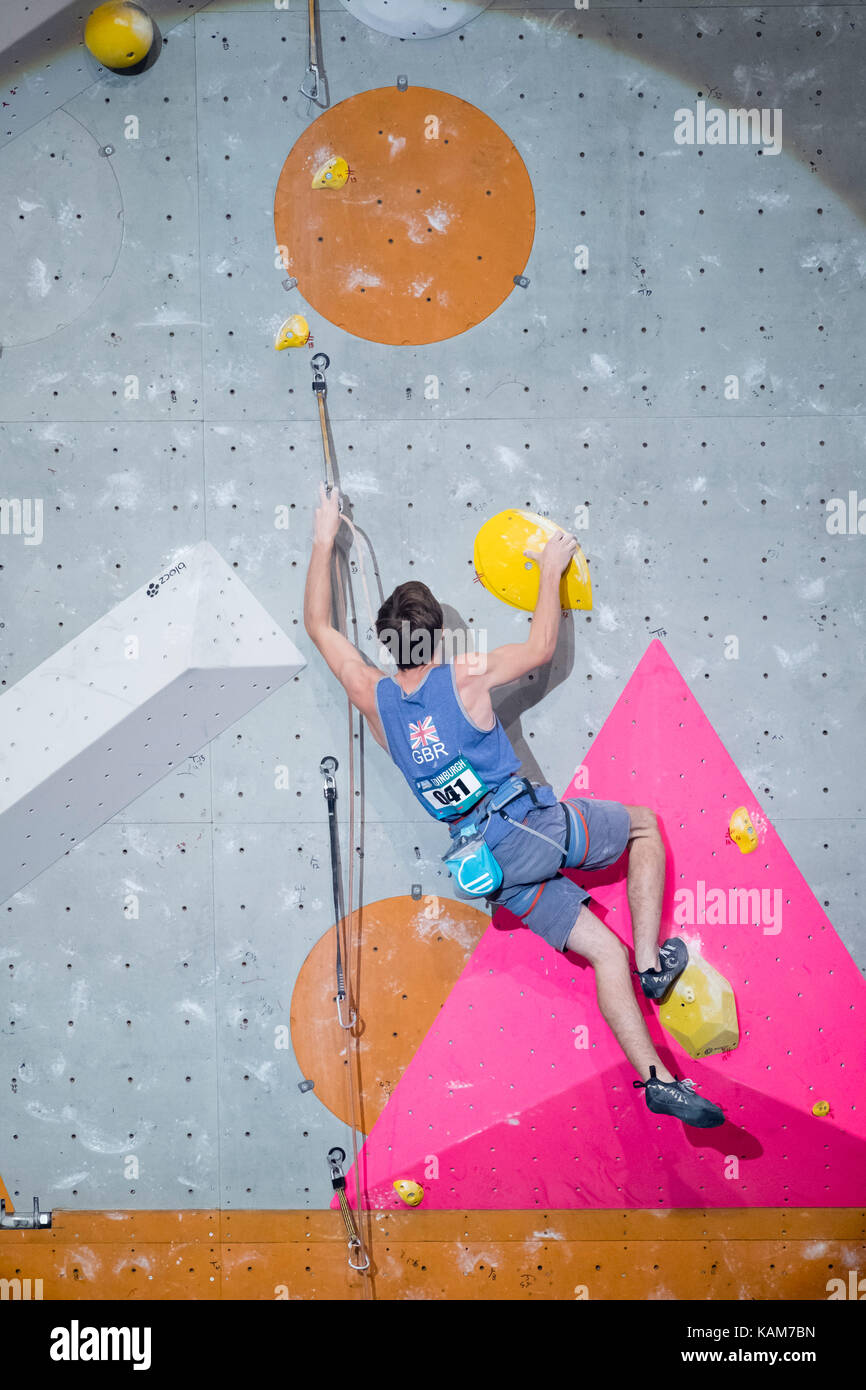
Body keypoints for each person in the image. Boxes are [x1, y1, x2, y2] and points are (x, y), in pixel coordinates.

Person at [303, 483, 724, 1129]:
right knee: (643, 827)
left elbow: (319, 627)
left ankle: (656, 1082)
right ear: (436, 634)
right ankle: (651, 965)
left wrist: (322, 535)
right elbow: (539, 650)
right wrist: (550, 571)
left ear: (390, 646)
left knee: (598, 956)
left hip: (488, 870)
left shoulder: (373, 696)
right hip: (532, 830)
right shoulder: (464, 676)